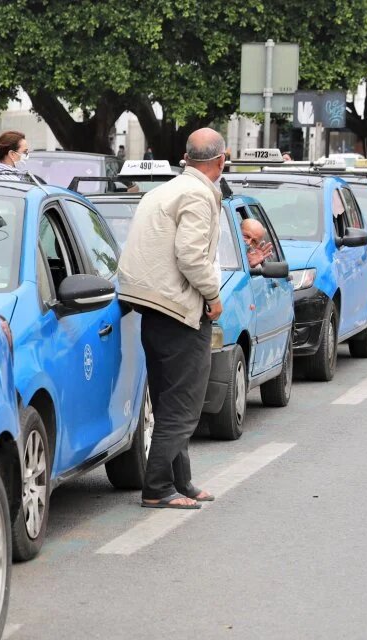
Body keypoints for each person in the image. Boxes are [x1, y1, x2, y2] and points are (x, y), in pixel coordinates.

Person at [118, 128, 227, 510]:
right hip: (179, 309)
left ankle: (180, 480)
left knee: (169, 402)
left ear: (186, 158)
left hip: (152, 307)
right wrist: (213, 297)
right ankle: (159, 487)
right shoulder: (199, 194)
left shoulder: (164, 190)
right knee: (183, 406)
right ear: (220, 161)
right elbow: (191, 257)